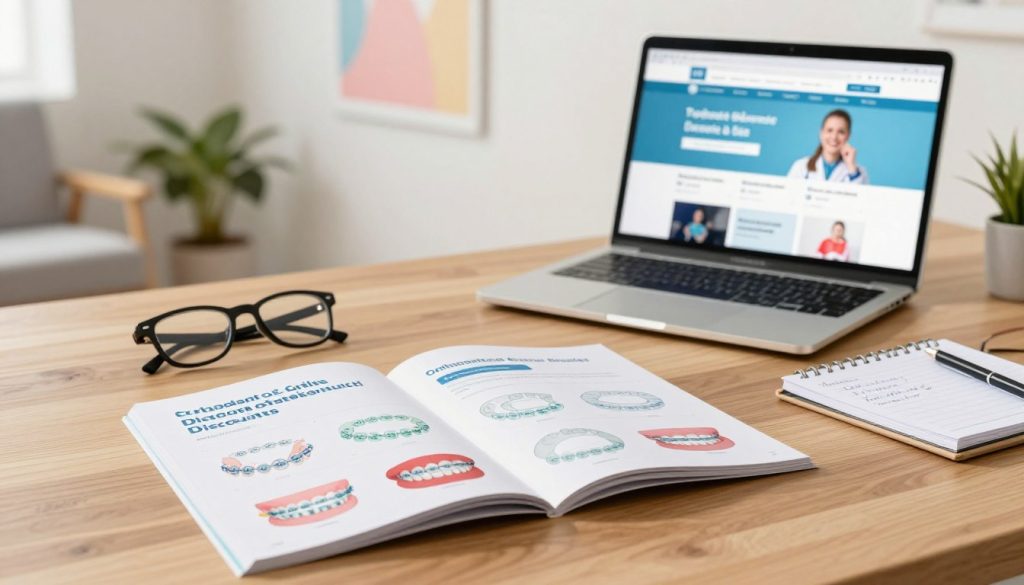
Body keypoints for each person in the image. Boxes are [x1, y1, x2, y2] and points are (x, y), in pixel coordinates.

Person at [787, 109, 868, 184]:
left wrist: (851, 166)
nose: (834, 137)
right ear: (821, 133)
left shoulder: (858, 172)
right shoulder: (801, 166)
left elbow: (860, 198)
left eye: (841, 132)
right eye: (830, 130)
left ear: (848, 136)